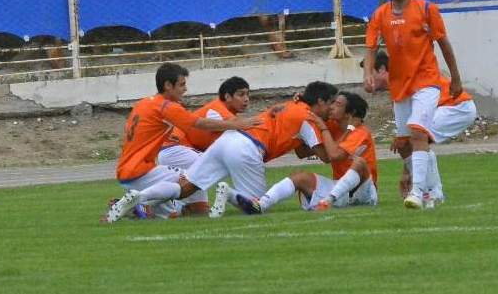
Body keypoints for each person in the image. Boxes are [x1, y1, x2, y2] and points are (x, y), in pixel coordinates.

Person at [106, 81, 345, 222]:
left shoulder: (292, 106)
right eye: (332, 102)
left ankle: (140, 197)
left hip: (226, 141)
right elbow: (327, 157)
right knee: (255, 206)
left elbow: (302, 151)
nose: (333, 107)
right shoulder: (310, 119)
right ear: (321, 102)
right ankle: (228, 192)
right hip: (247, 147)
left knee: (184, 189)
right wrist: (326, 127)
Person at [363, 0, 464, 209]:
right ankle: (433, 191)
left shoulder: (427, 9)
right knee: (405, 143)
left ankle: (417, 192)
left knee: (419, 132)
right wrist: (368, 73)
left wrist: (455, 77)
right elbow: (371, 47)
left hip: (426, 81)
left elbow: (443, 43)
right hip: (400, 86)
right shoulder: (380, 14)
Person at [105, 63, 261, 222]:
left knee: (176, 214)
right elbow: (200, 123)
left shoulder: (144, 103)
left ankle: (140, 206)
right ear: (167, 85)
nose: (185, 89)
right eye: (182, 84)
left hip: (130, 169)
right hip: (140, 169)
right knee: (194, 176)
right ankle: (141, 201)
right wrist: (236, 125)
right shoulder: (167, 106)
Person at [234, 91, 378, 214]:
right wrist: (303, 103)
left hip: (364, 191)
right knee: (300, 177)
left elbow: (334, 156)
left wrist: (323, 128)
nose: (332, 107)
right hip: (340, 188)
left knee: (360, 163)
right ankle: (261, 205)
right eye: (332, 102)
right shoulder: (332, 125)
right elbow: (302, 153)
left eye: (337, 104)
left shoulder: (361, 132)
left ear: (350, 113)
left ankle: (328, 200)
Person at [370, 50, 477, 206]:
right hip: (450, 108)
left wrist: (406, 172)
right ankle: (427, 190)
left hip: (457, 107)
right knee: (404, 142)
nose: (366, 80)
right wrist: (407, 170)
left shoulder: (403, 79)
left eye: (369, 73)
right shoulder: (397, 86)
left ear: (381, 70)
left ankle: (433, 192)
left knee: (416, 137)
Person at [156, 76, 250, 215]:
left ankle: (147, 204)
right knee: (211, 165)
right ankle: (147, 200)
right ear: (227, 96)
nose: (246, 98)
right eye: (241, 94)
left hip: (180, 152)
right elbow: (244, 129)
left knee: (198, 211)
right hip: (176, 149)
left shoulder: (225, 113)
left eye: (248, 94)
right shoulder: (217, 110)